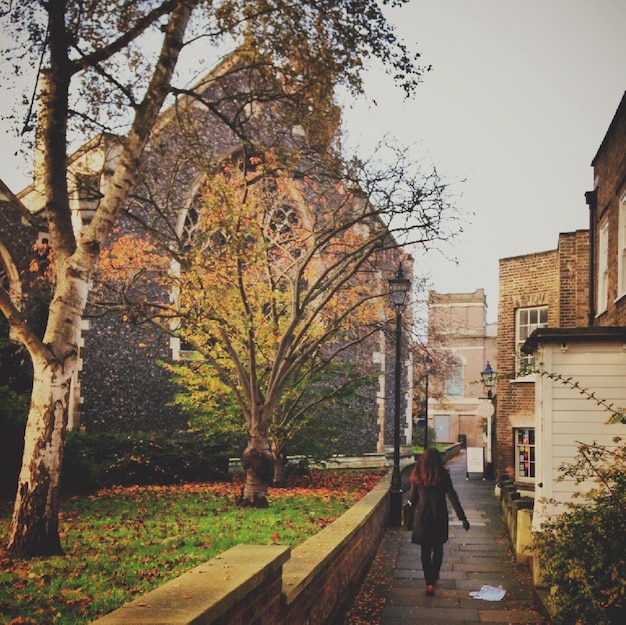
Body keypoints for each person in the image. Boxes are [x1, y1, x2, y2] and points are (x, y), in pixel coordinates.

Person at [407, 447, 470, 596]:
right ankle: (434, 576)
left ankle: (428, 582)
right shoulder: (443, 475)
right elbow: (453, 497)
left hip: (422, 516)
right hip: (439, 516)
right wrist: (462, 518)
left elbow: (412, 498)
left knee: (425, 550)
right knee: (438, 549)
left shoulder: (417, 475)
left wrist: (408, 516)